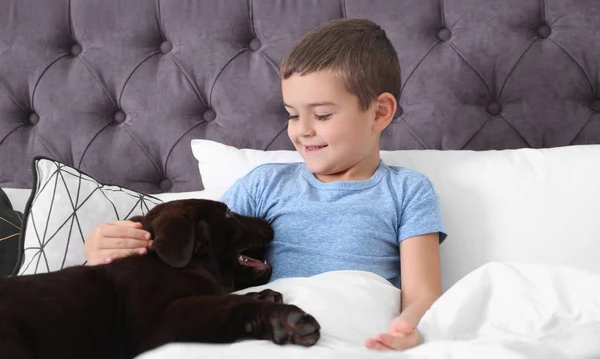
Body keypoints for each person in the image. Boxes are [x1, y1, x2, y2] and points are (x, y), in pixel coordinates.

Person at [84, 18, 447, 351]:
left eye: (321, 115)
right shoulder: (265, 185)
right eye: (292, 114)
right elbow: (197, 254)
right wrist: (107, 252)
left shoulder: (407, 191)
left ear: (380, 112)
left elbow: (422, 295)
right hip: (266, 326)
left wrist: (407, 329)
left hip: (350, 331)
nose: (302, 129)